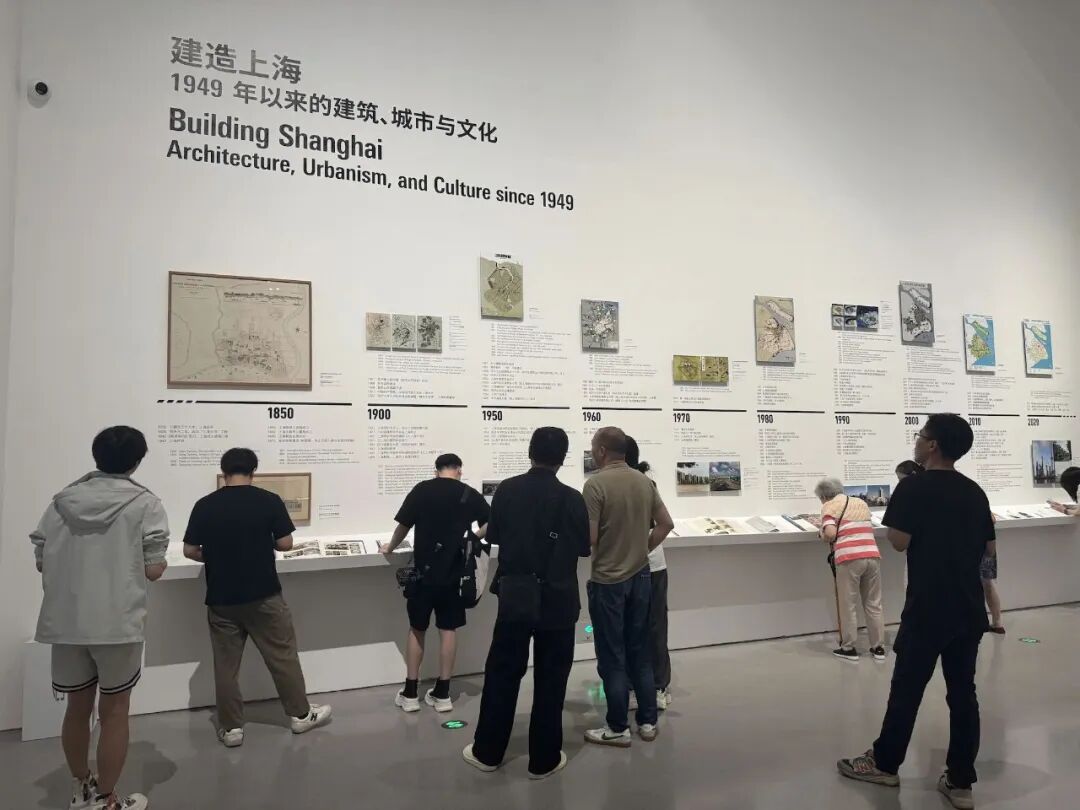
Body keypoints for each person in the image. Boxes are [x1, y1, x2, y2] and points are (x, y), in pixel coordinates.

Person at [839, 414, 994, 810]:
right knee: (964, 694)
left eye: (921, 435)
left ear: (933, 445)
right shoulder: (975, 491)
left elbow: (898, 541)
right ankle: (960, 782)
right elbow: (989, 549)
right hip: (968, 607)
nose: (917, 441)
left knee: (907, 691)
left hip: (928, 608)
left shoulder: (913, 486)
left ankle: (885, 763)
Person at [31, 426, 169, 810]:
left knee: (76, 708)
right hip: (117, 624)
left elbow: (41, 558)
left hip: (67, 622)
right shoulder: (146, 503)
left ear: (97, 456)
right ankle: (107, 800)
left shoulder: (61, 502)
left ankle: (82, 789)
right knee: (115, 711)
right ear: (137, 461)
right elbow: (154, 569)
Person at [463, 427, 590, 779]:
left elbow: (495, 536)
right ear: (562, 458)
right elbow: (583, 548)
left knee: (502, 673)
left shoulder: (507, 489)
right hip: (559, 597)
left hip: (516, 595)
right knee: (552, 678)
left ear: (530, 452)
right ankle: (543, 759)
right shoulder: (572, 498)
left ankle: (487, 751)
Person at [183, 448, 332, 747]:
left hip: (222, 598)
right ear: (253, 471)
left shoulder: (205, 505)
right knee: (282, 657)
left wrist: (215, 557)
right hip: (264, 595)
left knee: (226, 666)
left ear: (224, 471)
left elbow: (189, 550)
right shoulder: (268, 500)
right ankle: (301, 715)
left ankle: (231, 729)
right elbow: (285, 543)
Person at [582, 427, 675, 747]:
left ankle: (617, 726)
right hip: (641, 576)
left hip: (608, 579)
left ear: (602, 451)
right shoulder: (644, 482)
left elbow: (590, 537)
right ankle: (648, 721)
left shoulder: (595, 485)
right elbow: (666, 523)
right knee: (640, 650)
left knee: (612, 655)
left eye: (593, 448)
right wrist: (641, 548)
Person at [381, 453, 489, 713]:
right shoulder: (468, 493)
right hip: (454, 574)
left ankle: (410, 693)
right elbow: (490, 522)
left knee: (417, 629)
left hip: (424, 573)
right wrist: (472, 537)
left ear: (436, 470)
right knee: (448, 630)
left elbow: (403, 526)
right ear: (459, 470)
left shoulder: (422, 489)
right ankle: (442, 694)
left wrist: (390, 547)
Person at [815, 477, 886, 662]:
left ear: (824, 496)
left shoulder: (829, 506)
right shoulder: (860, 503)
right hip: (872, 555)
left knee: (848, 605)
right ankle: (878, 648)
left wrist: (821, 533)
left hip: (849, 558)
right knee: (873, 603)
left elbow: (830, 533)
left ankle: (848, 648)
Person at [624, 436, 672, 710]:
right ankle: (637, 686)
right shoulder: (615, 483)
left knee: (653, 627)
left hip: (648, 567)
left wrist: (641, 550)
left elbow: (662, 523)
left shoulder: (645, 485)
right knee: (632, 629)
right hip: (632, 566)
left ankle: (658, 686)